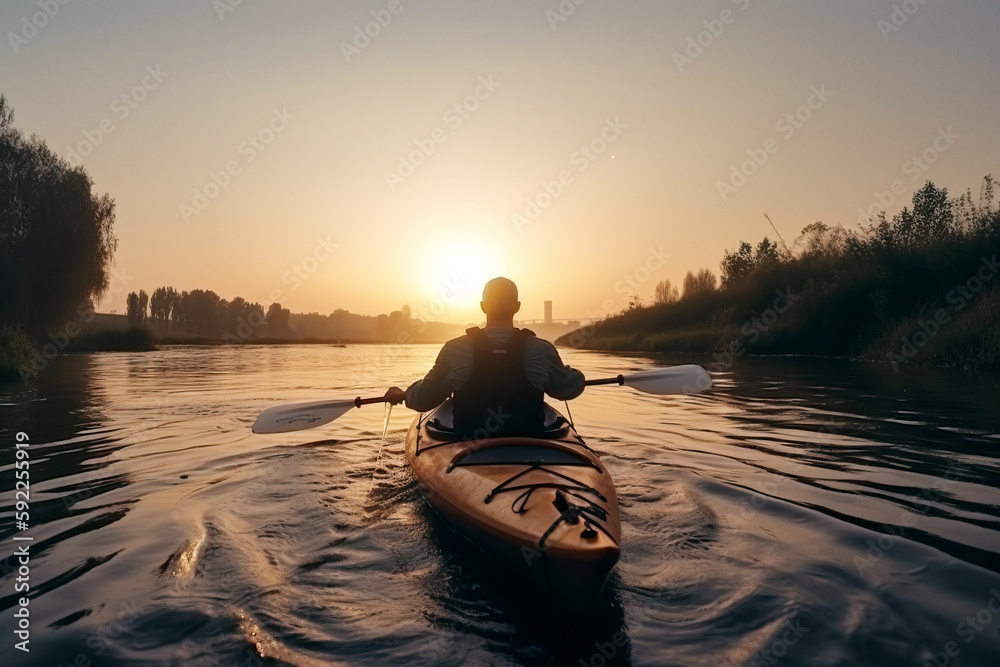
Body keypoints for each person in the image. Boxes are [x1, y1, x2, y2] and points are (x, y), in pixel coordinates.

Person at [384, 277, 585, 437]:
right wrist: (577, 375)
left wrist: (404, 394)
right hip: (532, 446)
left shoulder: (455, 349)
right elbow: (569, 387)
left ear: (482, 306)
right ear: (517, 306)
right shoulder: (541, 350)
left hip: (468, 446)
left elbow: (424, 398)